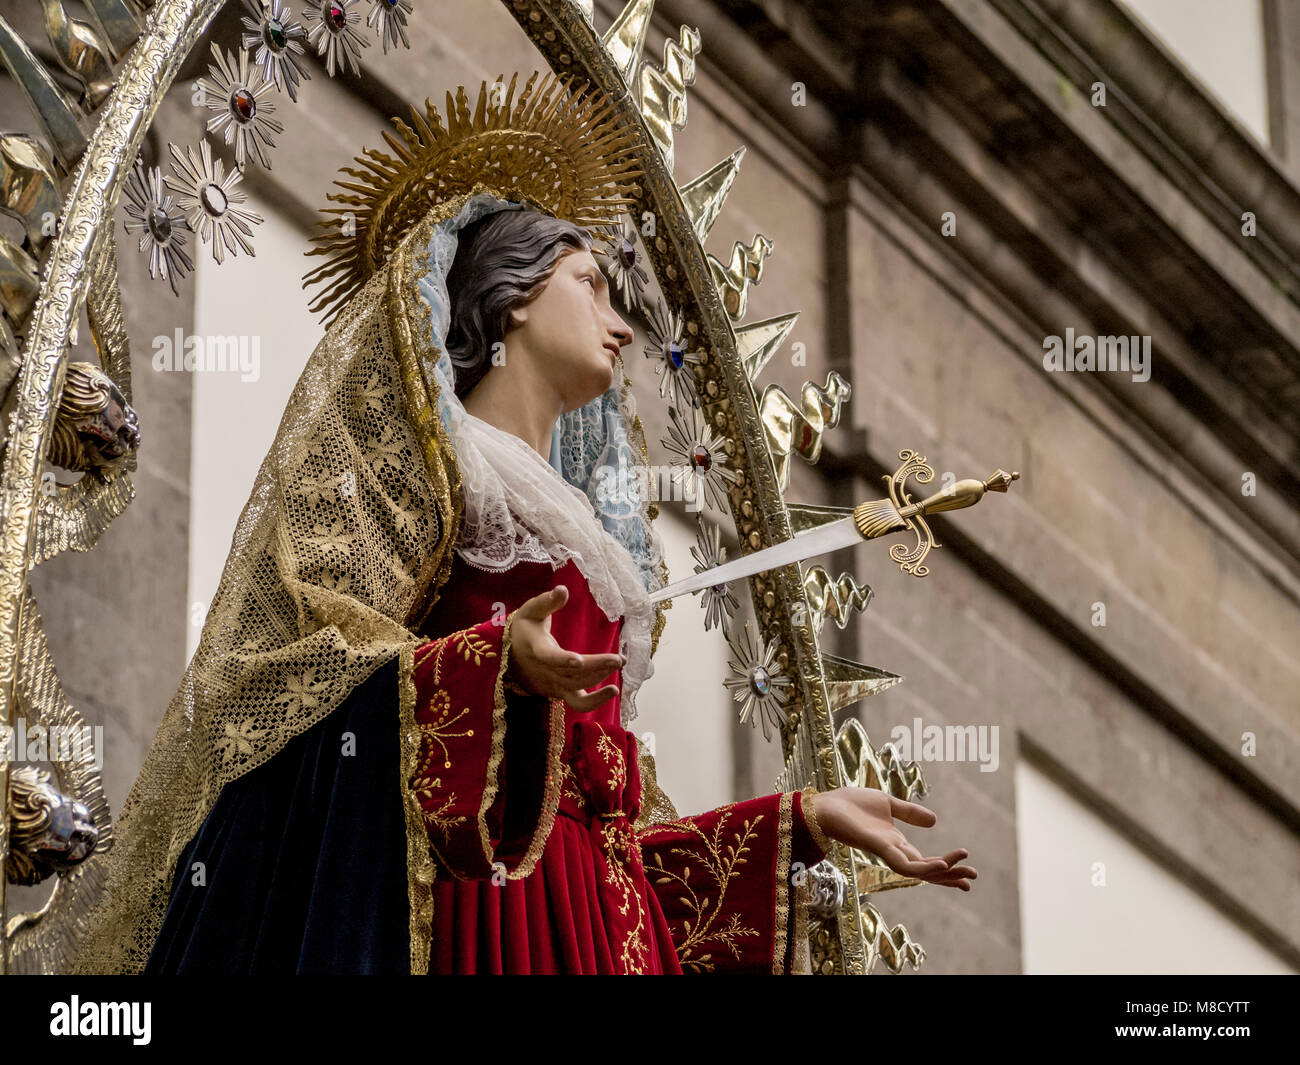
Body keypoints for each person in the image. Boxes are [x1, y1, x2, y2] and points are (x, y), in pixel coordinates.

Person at [70, 75, 973, 975]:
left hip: (579, 923)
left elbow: (616, 841)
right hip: (479, 908)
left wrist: (801, 820)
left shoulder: (588, 535)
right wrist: (490, 672)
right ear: (512, 299)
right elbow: (294, 678)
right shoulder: (436, 467)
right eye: (591, 285)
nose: (620, 328)